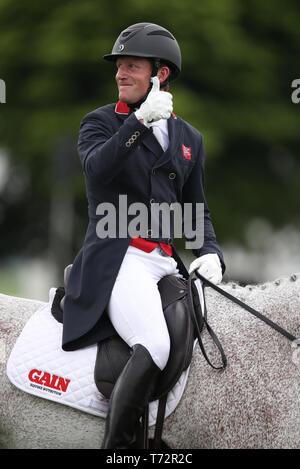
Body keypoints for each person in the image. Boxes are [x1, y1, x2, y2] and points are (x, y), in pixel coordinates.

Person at [62, 22, 225, 449]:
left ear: (160, 74)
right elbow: (97, 170)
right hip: (119, 258)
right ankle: (118, 450)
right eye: (119, 66)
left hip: (165, 261)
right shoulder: (99, 122)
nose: (120, 74)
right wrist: (136, 123)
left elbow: (197, 208)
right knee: (152, 342)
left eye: (132, 66)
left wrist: (210, 252)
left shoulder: (190, 139)